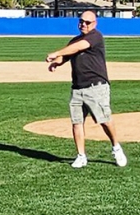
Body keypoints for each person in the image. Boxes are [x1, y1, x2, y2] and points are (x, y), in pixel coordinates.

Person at [45, 11, 127, 169]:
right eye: (81, 21)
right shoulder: (74, 40)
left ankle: (116, 147)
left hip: (96, 86)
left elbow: (79, 47)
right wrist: (56, 62)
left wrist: (57, 52)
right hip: (77, 88)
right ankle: (81, 156)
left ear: (94, 24)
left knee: (104, 119)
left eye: (87, 22)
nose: (83, 24)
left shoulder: (96, 37)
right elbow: (68, 54)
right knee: (77, 122)